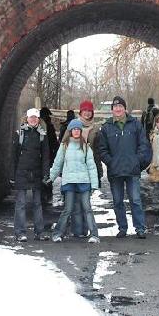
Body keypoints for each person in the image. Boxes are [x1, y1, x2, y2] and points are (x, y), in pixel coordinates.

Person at [98, 96, 152, 239]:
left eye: (120, 106)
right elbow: (102, 150)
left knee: (135, 200)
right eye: (115, 107)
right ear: (112, 110)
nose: (118, 109)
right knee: (117, 201)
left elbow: (143, 144)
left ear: (125, 108)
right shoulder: (106, 127)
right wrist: (111, 162)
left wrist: (137, 160)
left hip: (132, 170)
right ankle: (122, 228)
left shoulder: (135, 124)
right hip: (115, 171)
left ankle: (140, 228)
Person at [47, 119, 100, 243]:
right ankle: (57, 233)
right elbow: (57, 163)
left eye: (78, 129)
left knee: (87, 208)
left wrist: (94, 184)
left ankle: (94, 234)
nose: (76, 131)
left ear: (80, 131)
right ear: (70, 131)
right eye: (74, 129)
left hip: (84, 181)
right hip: (69, 182)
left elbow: (91, 166)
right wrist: (51, 177)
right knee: (68, 209)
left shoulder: (86, 147)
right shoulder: (64, 146)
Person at [12, 108, 51, 242]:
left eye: (35, 117)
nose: (33, 119)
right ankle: (20, 232)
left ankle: (39, 232)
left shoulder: (42, 135)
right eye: (31, 117)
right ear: (26, 118)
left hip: (36, 172)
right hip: (22, 172)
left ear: (38, 119)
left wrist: (46, 173)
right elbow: (13, 156)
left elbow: (46, 156)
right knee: (21, 203)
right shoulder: (20, 134)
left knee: (37, 203)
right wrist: (12, 174)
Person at [70, 100, 103, 237]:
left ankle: (88, 229)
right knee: (75, 202)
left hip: (90, 167)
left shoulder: (96, 129)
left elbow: (99, 150)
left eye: (90, 111)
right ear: (81, 112)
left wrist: (99, 171)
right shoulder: (73, 126)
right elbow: (65, 146)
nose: (87, 113)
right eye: (85, 110)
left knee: (86, 201)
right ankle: (78, 230)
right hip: (74, 167)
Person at [40, 107, 59, 205]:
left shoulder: (39, 125)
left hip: (43, 154)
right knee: (46, 173)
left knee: (44, 173)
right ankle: (47, 192)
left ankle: (44, 193)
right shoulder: (49, 126)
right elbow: (54, 142)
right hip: (48, 154)